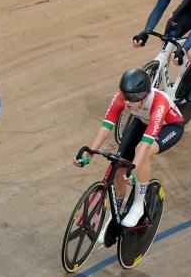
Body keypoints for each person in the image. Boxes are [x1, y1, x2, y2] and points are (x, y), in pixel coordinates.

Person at [74, 68, 184, 246]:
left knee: (143, 152)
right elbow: (106, 127)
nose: (127, 102)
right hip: (143, 122)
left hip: (169, 127)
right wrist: (89, 155)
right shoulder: (120, 98)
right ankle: (115, 213)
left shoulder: (159, 102)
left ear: (145, 95)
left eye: (134, 98)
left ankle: (138, 205)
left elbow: (145, 144)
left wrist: (134, 169)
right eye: (125, 96)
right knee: (119, 166)